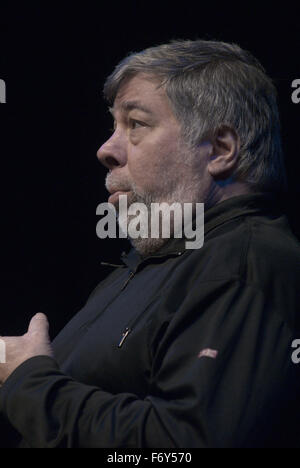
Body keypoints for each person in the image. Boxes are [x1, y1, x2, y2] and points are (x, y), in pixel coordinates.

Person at [0, 39, 299, 448]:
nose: (106, 149)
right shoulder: (151, 264)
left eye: (136, 124)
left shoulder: (243, 263)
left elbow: (181, 446)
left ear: (221, 150)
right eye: (113, 126)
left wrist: (28, 381)